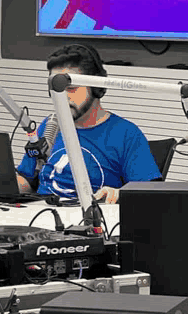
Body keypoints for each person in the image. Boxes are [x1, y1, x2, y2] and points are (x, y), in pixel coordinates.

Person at [16, 43, 161, 203]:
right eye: (55, 88)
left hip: (93, 221)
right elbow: (27, 180)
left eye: (70, 88)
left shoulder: (126, 134)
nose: (61, 96)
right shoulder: (50, 126)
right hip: (39, 216)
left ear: (96, 86)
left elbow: (150, 196)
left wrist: (120, 194)